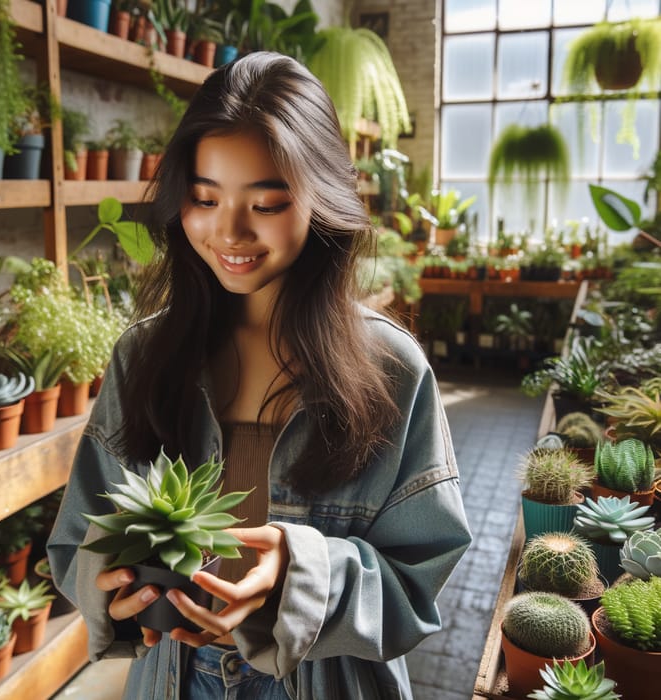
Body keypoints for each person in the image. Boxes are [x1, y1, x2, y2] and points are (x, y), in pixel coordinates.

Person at [47, 51, 471, 700]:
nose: (229, 230)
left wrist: (301, 574)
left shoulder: (391, 371)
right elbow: (78, 543)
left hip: (327, 682)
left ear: (321, 198)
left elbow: (418, 580)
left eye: (266, 203)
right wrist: (108, 579)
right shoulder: (144, 356)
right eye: (203, 198)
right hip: (174, 680)